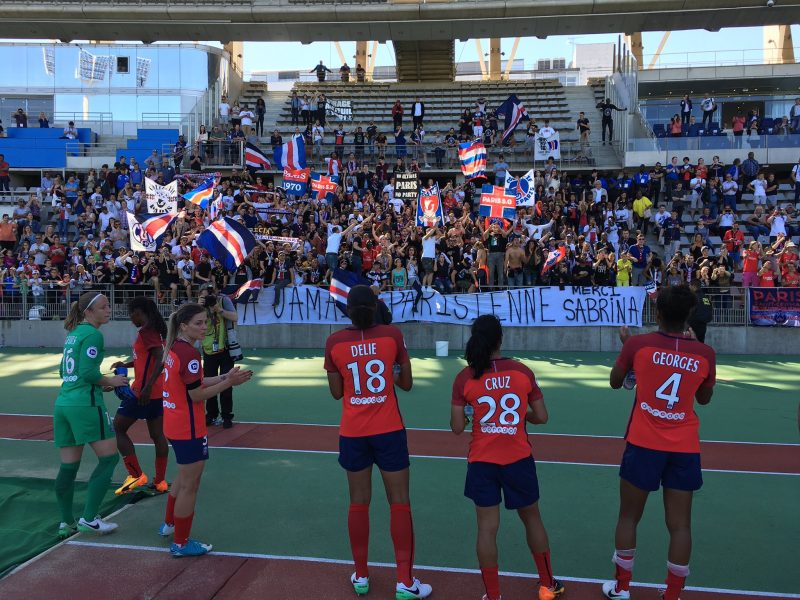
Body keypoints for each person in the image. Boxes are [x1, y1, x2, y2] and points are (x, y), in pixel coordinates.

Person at [603, 285, 716, 600]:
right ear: (689, 315)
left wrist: (628, 350)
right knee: (680, 526)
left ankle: (622, 588)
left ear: (657, 313)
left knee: (628, 516)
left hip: (643, 444)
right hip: (684, 447)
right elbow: (704, 399)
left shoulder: (638, 345)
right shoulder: (705, 353)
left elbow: (615, 382)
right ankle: (673, 595)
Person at [323, 285, 432, 599]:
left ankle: (361, 575)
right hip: (389, 430)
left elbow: (336, 392)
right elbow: (407, 383)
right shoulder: (392, 336)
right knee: (399, 502)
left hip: (353, 433)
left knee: (358, 503)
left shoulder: (334, 341)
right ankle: (405, 582)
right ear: (375, 307)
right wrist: (390, 372)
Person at [451, 315, 565, 600]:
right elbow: (542, 417)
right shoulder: (522, 372)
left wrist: (473, 414)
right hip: (518, 458)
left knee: (487, 529)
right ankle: (548, 585)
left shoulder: (465, 377)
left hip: (482, 461)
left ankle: (493, 594)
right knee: (533, 520)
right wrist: (516, 417)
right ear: (501, 339)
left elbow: (456, 428)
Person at [158, 303, 252, 556]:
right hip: (188, 427)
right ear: (184, 325)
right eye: (199, 323)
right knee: (191, 484)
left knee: (182, 477)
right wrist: (229, 382)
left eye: (206, 322)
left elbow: (194, 382)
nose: (205, 327)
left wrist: (223, 377)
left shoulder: (175, 349)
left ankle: (169, 525)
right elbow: (198, 394)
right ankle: (180, 543)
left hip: (175, 422)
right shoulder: (187, 353)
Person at [54, 291, 128, 538]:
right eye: (104, 307)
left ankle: (66, 522)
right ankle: (89, 518)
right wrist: (113, 380)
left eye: (109, 306)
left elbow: (64, 371)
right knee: (109, 459)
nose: (109, 310)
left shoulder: (73, 334)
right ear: (88, 311)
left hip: (64, 404)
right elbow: (87, 373)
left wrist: (100, 383)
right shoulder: (94, 335)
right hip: (86, 406)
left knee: (68, 466)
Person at [111, 297, 169, 496]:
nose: (130, 318)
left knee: (117, 428)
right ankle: (160, 481)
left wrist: (147, 387)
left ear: (138, 312)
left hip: (141, 393)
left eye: (131, 313)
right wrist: (125, 365)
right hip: (158, 394)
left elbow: (161, 359)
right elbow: (146, 359)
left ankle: (136, 474)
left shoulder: (146, 332)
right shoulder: (158, 331)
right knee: (157, 435)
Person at [199, 289, 239, 428]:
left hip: (225, 349)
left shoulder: (223, 300)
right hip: (208, 350)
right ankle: (211, 414)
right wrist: (198, 307)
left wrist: (219, 309)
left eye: (210, 295)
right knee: (209, 383)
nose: (208, 299)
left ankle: (227, 415)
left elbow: (235, 317)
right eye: (204, 296)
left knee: (227, 382)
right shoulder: (199, 306)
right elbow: (189, 322)